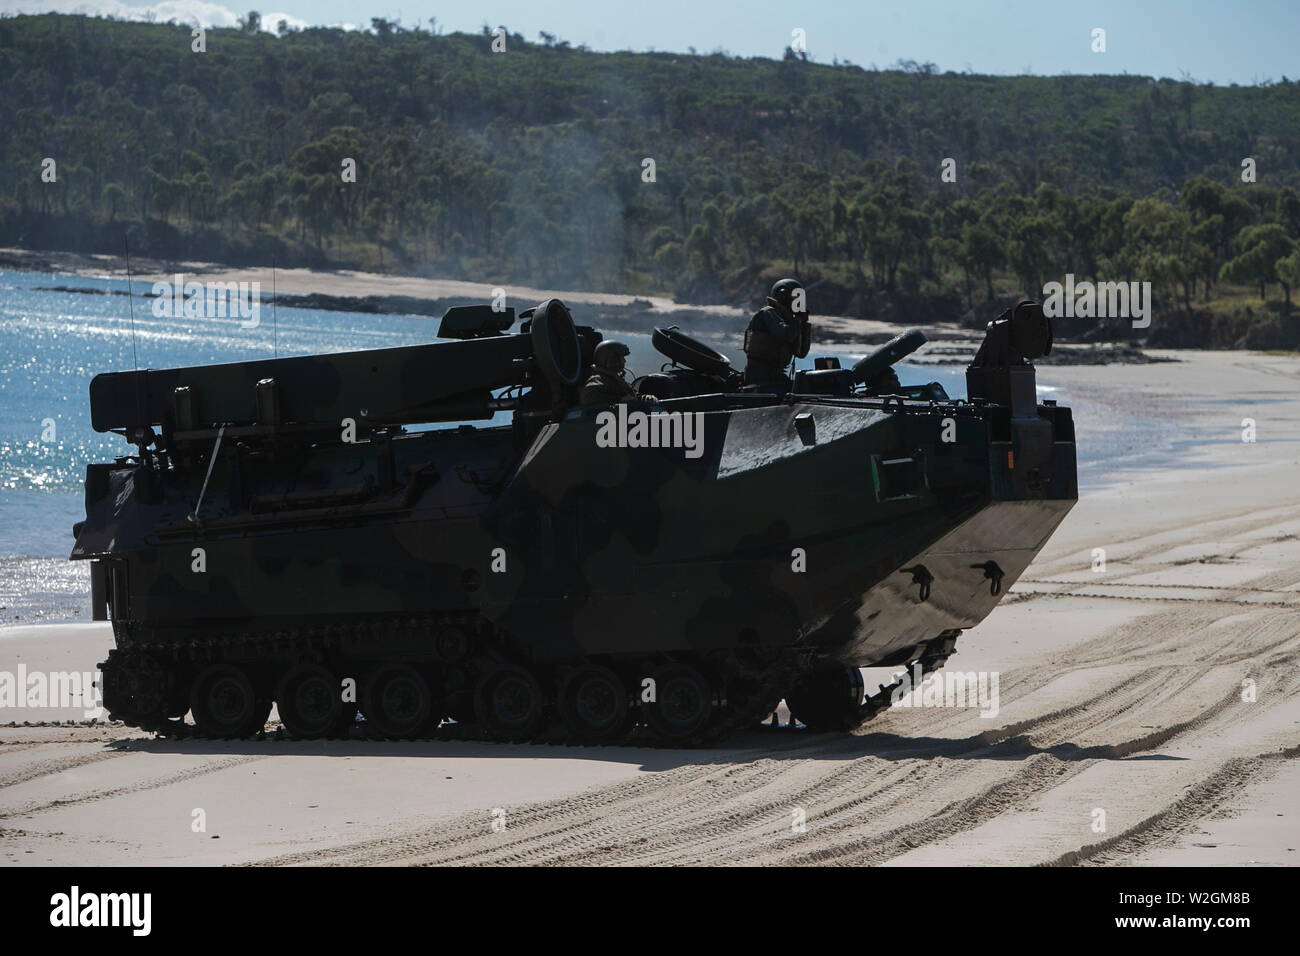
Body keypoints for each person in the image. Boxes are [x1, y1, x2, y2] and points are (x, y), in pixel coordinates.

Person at [742, 278, 811, 389]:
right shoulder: (768, 312)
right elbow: (785, 335)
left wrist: (804, 325)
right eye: (795, 297)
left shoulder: (789, 321)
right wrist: (797, 321)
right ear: (782, 296)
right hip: (759, 376)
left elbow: (801, 353)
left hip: (775, 375)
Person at [579, 340, 657, 406]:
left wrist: (645, 398)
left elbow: (632, 396)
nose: (624, 361)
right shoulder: (599, 379)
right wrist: (619, 400)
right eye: (622, 358)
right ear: (612, 360)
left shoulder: (614, 379)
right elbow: (587, 396)